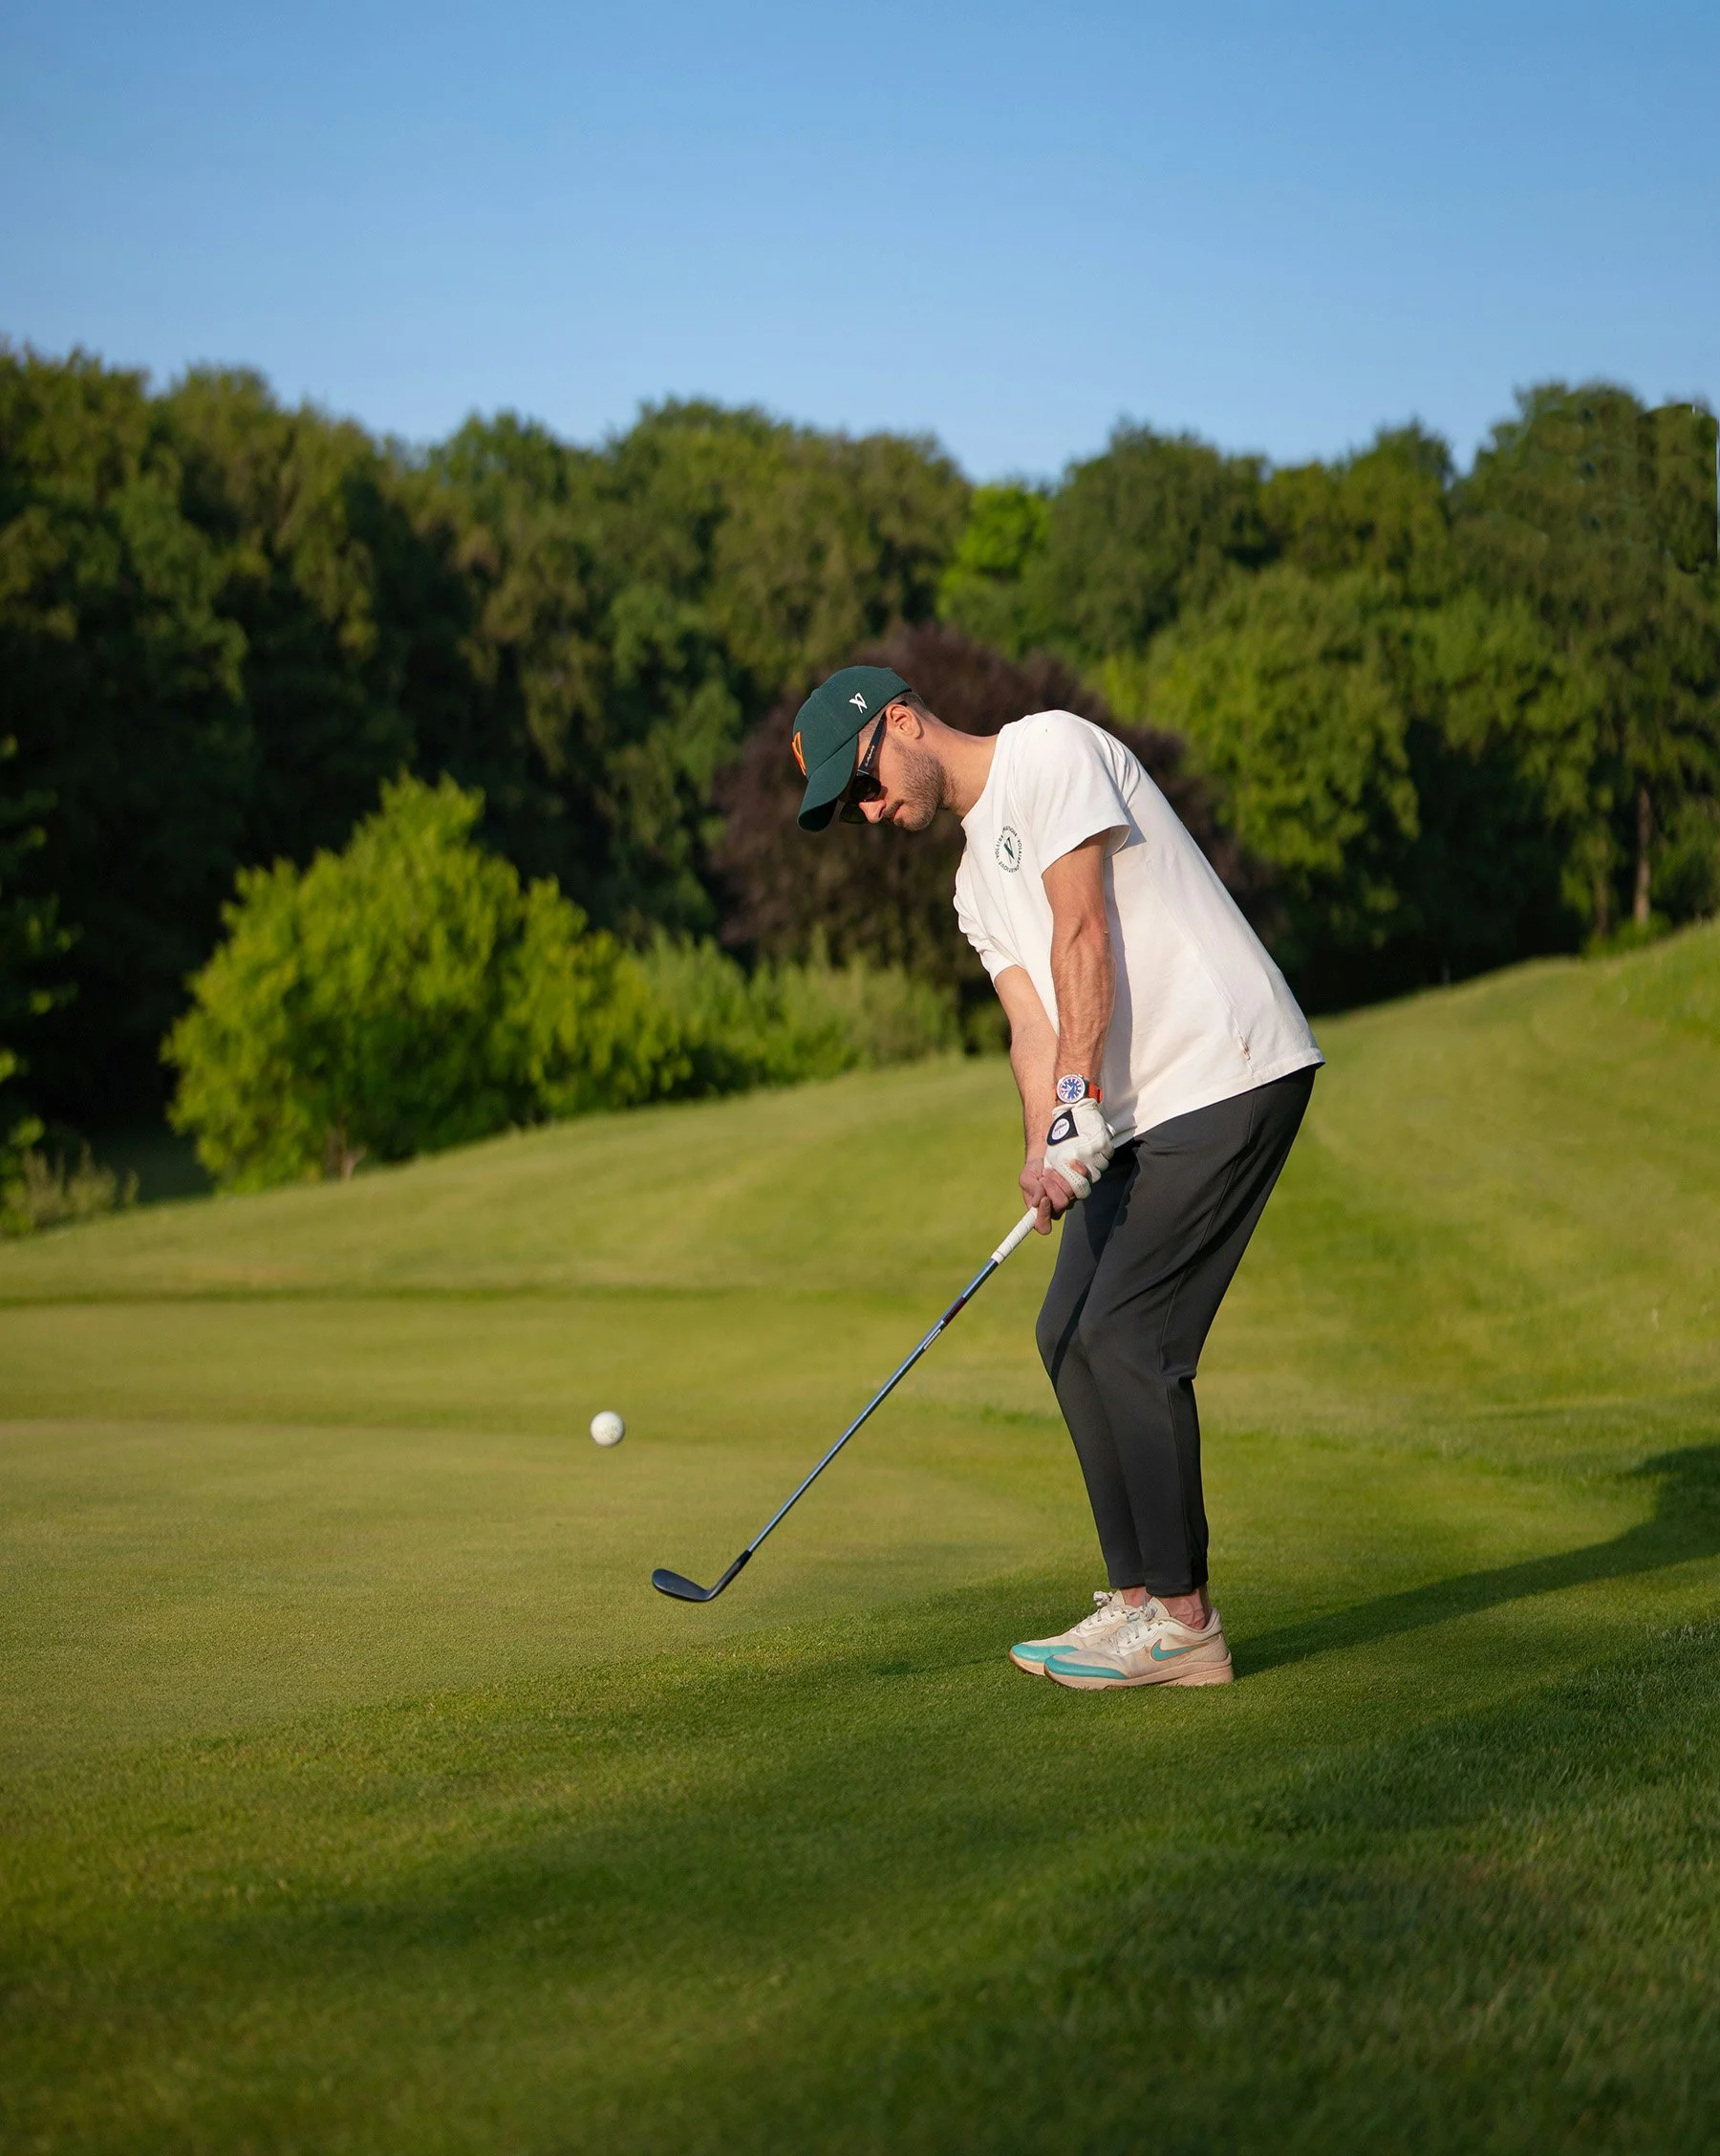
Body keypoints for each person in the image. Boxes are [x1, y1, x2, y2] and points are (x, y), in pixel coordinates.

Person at [790, 663, 1322, 1690]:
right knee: (1066, 1334)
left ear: (902, 721)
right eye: (850, 807)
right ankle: (1133, 1607)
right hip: (1129, 1116)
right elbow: (1031, 1028)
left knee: (1129, 1334)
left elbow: (1084, 930)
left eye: (862, 784)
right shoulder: (968, 885)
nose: (866, 812)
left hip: (1227, 1069)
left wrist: (1080, 1095)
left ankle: (1186, 1624)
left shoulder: (1050, 752)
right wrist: (1044, 1148)